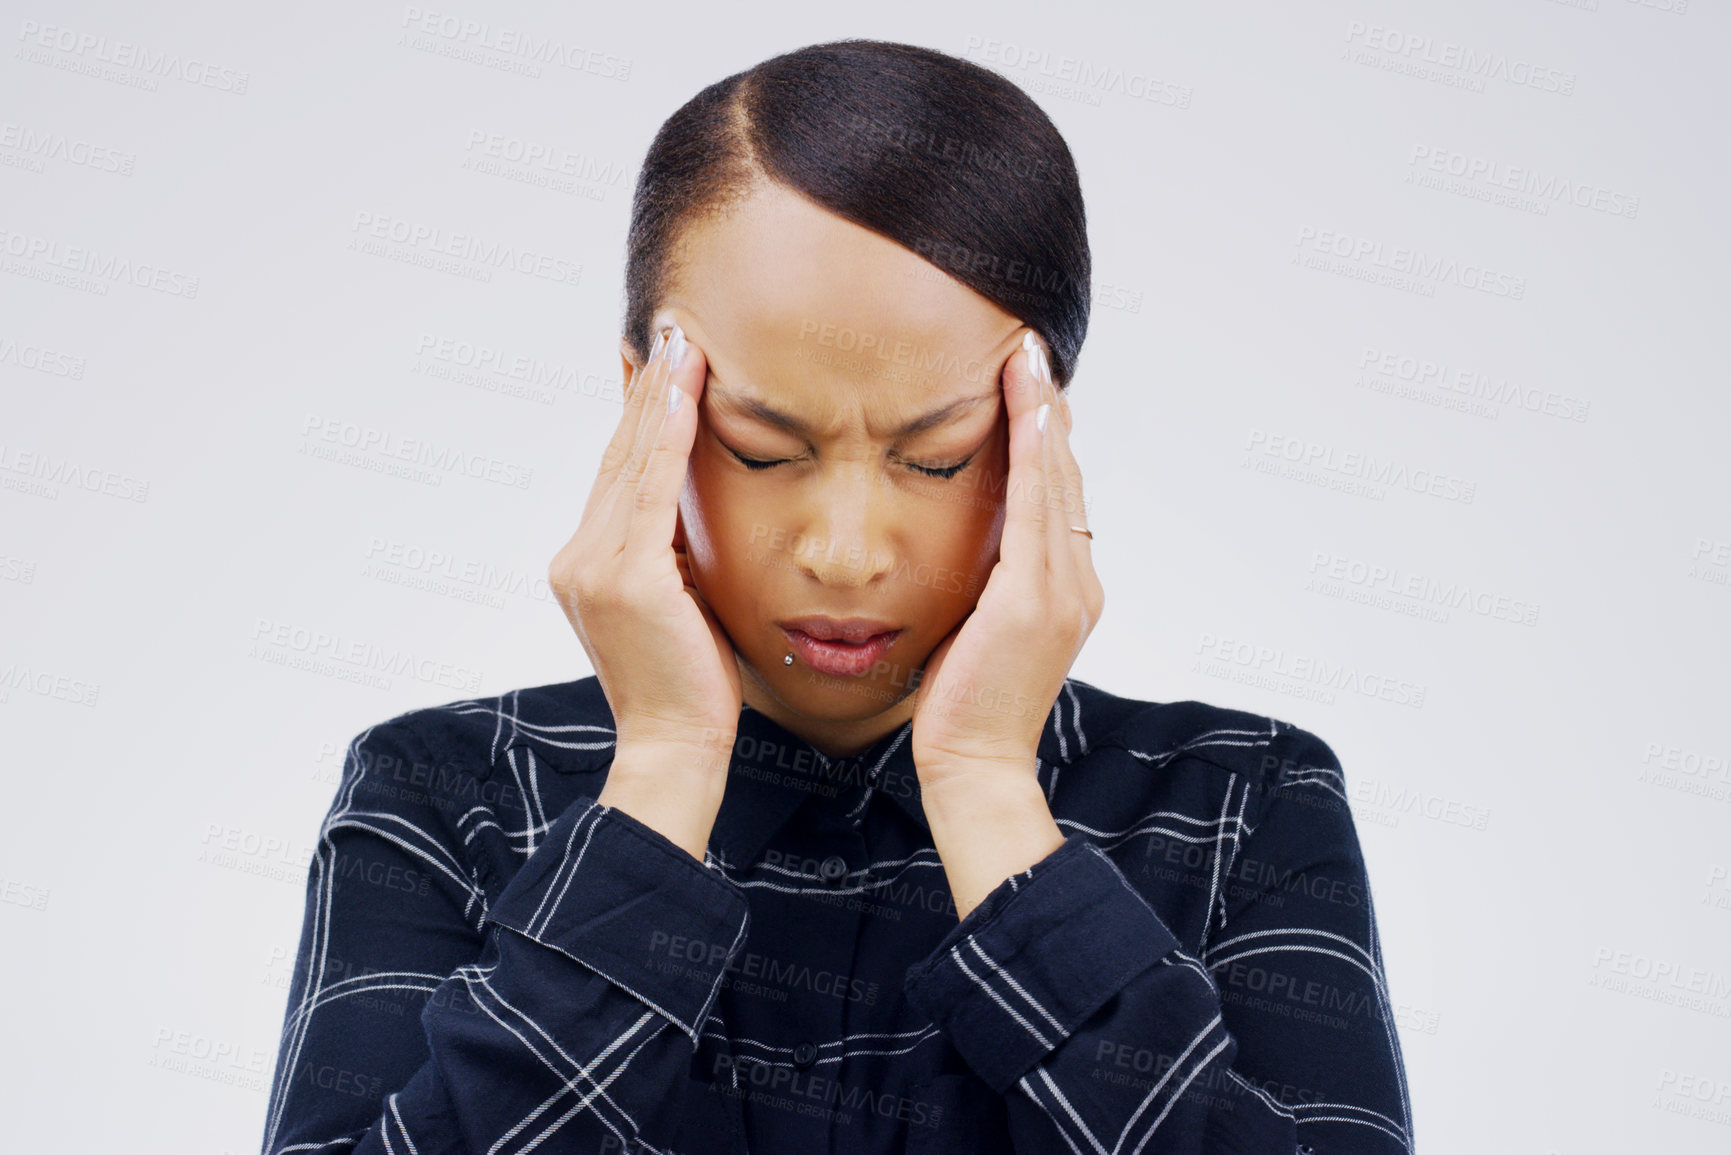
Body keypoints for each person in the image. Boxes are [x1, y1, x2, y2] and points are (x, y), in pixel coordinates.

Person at [260, 38, 1413, 1155]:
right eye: (761, 447)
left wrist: (987, 792)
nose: (848, 553)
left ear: (1041, 430)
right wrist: (661, 768)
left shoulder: (1241, 807)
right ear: (641, 413)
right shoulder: (448, 795)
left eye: (939, 455)